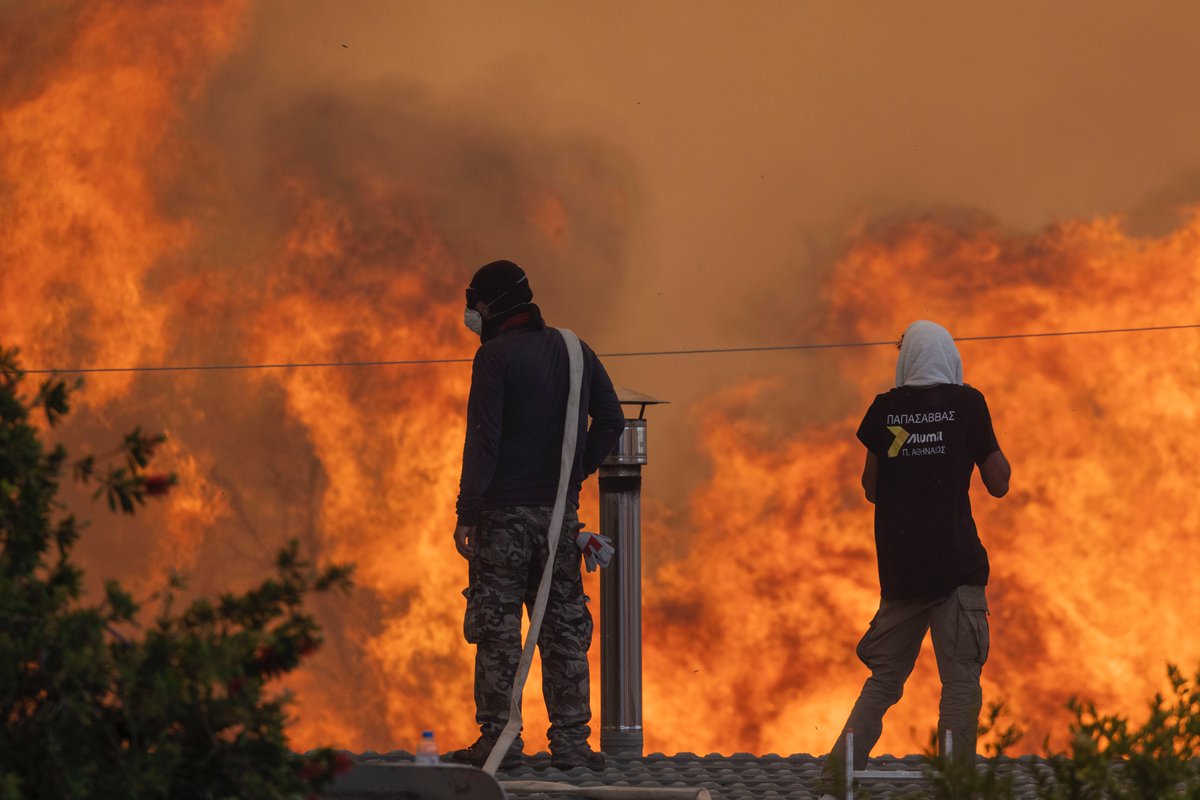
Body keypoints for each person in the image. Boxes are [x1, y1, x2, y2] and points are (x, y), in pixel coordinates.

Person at [820, 320, 1011, 800]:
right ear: (949, 357)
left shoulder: (887, 411)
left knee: (884, 679)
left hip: (902, 573)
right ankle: (957, 785)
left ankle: (837, 779)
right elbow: (999, 482)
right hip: (958, 570)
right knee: (960, 682)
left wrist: (911, 458)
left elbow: (871, 489)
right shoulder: (968, 404)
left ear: (905, 361)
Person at [448, 259, 625, 771]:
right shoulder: (574, 350)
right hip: (559, 521)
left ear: (496, 303)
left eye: (475, 303)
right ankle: (571, 744)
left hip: (502, 520)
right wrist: (573, 476)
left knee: (498, 632)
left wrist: (468, 511)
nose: (471, 314)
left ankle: (499, 744)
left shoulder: (495, 359)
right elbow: (611, 419)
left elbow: (484, 441)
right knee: (563, 628)